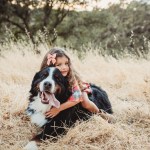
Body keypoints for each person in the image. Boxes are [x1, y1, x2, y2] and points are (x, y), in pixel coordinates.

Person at [40, 47, 115, 123]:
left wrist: (58, 109)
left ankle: (101, 114)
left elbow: (77, 98)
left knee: (85, 103)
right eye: (59, 65)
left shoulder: (71, 77)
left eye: (66, 63)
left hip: (80, 89)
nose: (64, 67)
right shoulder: (47, 78)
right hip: (71, 92)